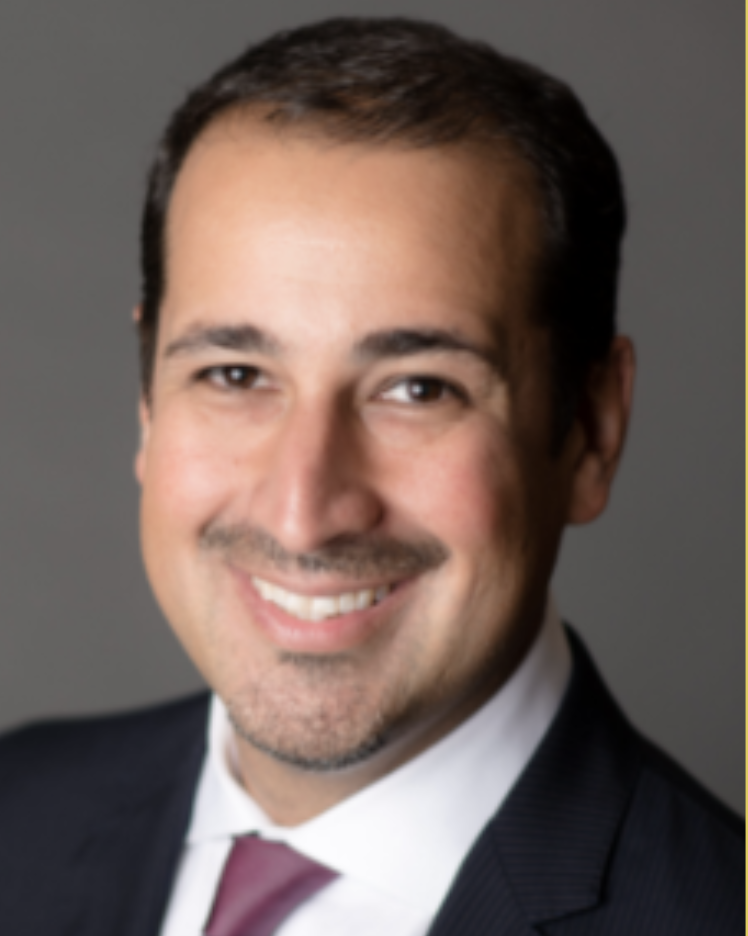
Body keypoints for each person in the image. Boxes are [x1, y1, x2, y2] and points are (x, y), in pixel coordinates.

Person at [0, 16, 742, 936]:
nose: (305, 511)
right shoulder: (18, 815)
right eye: (235, 375)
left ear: (591, 432)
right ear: (148, 401)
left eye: (418, 388)